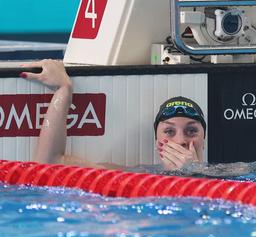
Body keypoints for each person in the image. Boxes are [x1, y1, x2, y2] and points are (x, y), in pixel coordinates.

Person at [20, 59, 206, 173]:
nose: (181, 140)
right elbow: (49, 165)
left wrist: (194, 174)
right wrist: (63, 89)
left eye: (191, 130)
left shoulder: (227, 175)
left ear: (203, 140)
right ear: (158, 143)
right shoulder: (135, 177)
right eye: (169, 131)